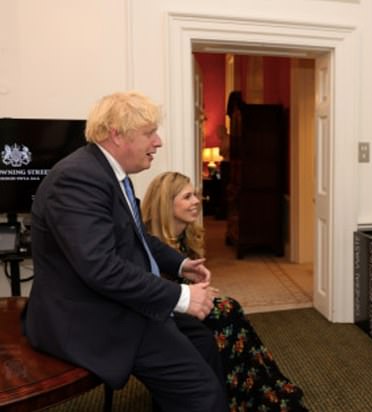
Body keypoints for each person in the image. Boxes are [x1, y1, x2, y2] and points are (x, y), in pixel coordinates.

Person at [23, 91, 229, 412]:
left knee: (203, 343)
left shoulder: (109, 172)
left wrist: (181, 263)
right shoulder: (78, 179)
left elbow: (135, 236)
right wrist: (183, 297)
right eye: (149, 133)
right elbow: (101, 268)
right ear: (116, 134)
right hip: (96, 315)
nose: (158, 141)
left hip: (124, 300)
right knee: (204, 395)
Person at [141, 171, 308, 412]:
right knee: (227, 314)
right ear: (166, 203)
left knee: (230, 310)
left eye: (195, 195)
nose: (197, 201)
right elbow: (156, 292)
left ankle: (256, 386)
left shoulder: (186, 236)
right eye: (187, 197)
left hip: (186, 311)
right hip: (163, 317)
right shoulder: (149, 242)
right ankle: (244, 391)